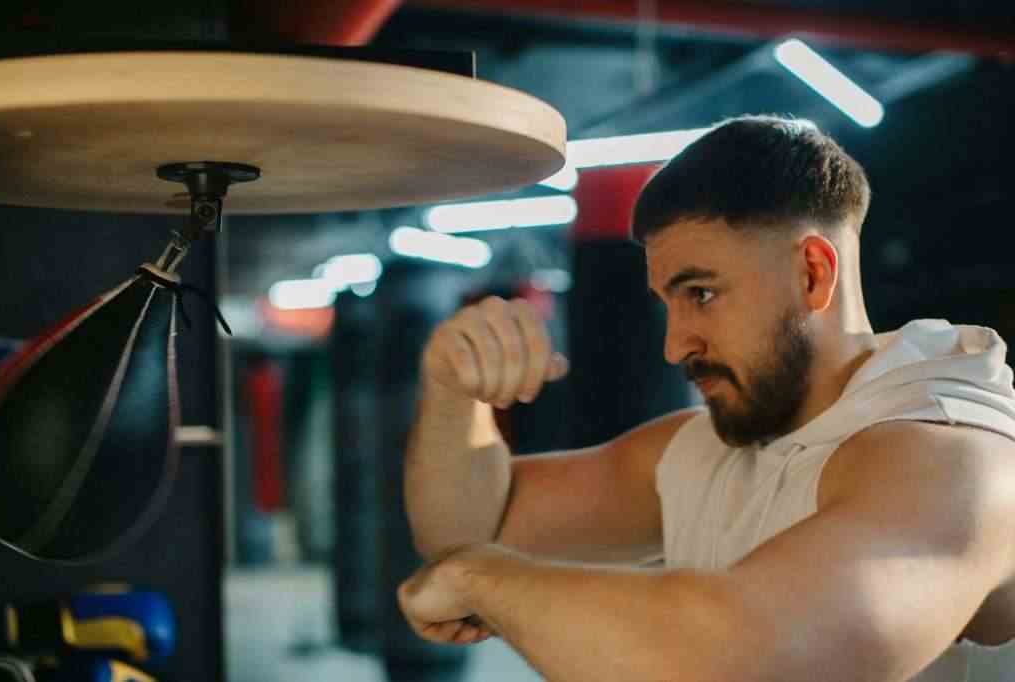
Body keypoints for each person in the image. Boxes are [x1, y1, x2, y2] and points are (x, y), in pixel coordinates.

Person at [397, 115, 1015, 682]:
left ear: (812, 274)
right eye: (667, 303)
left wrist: (483, 578)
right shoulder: (708, 450)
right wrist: (455, 394)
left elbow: (744, 659)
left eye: (701, 294)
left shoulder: (957, 461)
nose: (673, 345)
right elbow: (468, 527)